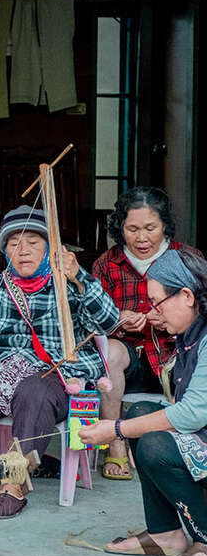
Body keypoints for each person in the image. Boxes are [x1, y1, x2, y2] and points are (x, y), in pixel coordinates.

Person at [0, 206, 119, 518]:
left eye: (33, 242)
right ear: (5, 250)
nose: (23, 251)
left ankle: (13, 484)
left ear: (50, 247)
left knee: (33, 391)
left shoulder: (69, 282)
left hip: (54, 376)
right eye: (13, 244)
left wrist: (79, 277)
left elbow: (109, 322)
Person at [80, 250, 207, 556]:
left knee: (152, 442)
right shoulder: (190, 335)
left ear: (187, 296)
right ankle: (166, 534)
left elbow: (192, 414)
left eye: (157, 303)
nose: (153, 312)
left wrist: (115, 430)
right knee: (141, 412)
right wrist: (127, 424)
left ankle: (204, 540)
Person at [92, 187, 204, 480]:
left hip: (172, 356)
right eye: (132, 229)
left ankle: (182, 444)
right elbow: (90, 318)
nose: (142, 237)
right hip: (127, 361)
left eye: (150, 228)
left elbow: (201, 313)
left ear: (164, 225)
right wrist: (117, 320)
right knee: (110, 352)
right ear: (120, 228)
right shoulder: (107, 264)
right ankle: (115, 444)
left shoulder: (187, 258)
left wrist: (168, 317)